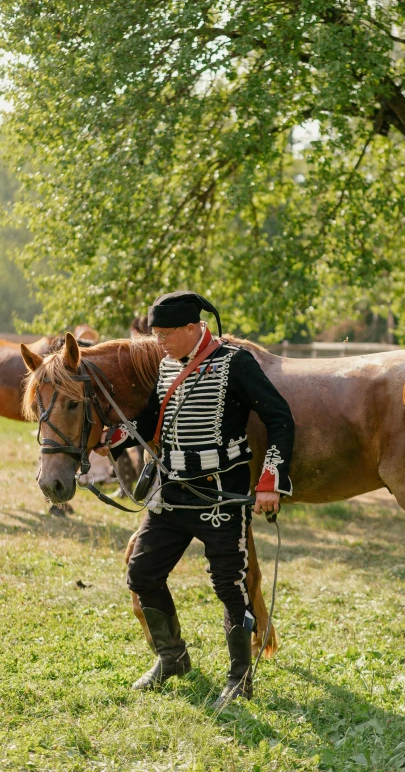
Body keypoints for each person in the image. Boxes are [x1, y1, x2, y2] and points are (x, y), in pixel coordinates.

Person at [95, 291, 294, 704]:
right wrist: (115, 435)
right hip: (172, 494)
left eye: (166, 334)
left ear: (192, 328)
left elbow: (280, 418)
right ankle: (172, 658)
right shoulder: (168, 365)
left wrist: (271, 479)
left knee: (230, 587)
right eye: (155, 335)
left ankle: (240, 678)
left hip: (222, 493)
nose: (159, 343)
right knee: (142, 572)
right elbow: (152, 419)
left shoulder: (235, 363)